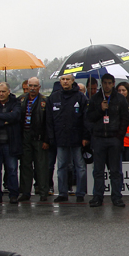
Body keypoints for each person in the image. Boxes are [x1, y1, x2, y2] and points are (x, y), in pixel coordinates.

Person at [86, 73, 129, 207]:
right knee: (98, 171)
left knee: (115, 171)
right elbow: (89, 118)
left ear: (113, 83)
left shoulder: (119, 99)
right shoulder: (95, 99)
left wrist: (119, 136)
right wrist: (100, 110)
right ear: (102, 83)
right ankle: (97, 197)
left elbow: (125, 118)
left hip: (114, 139)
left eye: (109, 83)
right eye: (104, 83)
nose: (107, 85)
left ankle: (117, 197)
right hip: (99, 139)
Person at [46, 74, 89, 202]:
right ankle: (62, 193)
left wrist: (85, 136)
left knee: (80, 167)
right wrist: (51, 137)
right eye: (63, 79)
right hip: (60, 138)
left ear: (72, 81)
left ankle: (80, 193)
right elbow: (49, 120)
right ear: (60, 81)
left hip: (77, 138)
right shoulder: (53, 98)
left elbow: (86, 119)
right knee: (61, 167)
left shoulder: (80, 97)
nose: (65, 82)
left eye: (67, 80)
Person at [18, 77, 50, 202]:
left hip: (39, 137)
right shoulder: (21, 100)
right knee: (25, 165)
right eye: (30, 86)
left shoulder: (44, 101)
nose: (32, 88)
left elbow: (48, 123)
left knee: (41, 166)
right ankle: (25, 192)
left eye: (35, 86)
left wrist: (47, 140)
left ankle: (43, 192)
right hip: (25, 136)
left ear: (39, 87)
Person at [116, 82, 129, 162]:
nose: (121, 92)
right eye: (119, 90)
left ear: (128, 91)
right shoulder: (114, 103)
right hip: (118, 141)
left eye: (123, 90)